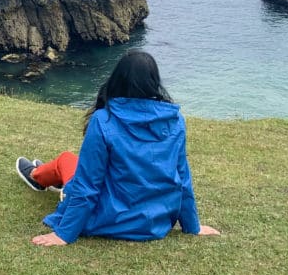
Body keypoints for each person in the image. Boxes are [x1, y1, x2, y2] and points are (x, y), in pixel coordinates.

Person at [15, 50, 220, 246]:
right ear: (154, 81)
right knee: (72, 166)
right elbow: (182, 179)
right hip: (154, 223)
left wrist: (64, 234)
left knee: (67, 160)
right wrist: (192, 227)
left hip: (108, 219)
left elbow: (88, 184)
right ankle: (40, 174)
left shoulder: (104, 119)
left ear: (117, 79)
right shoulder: (175, 121)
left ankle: (35, 175)